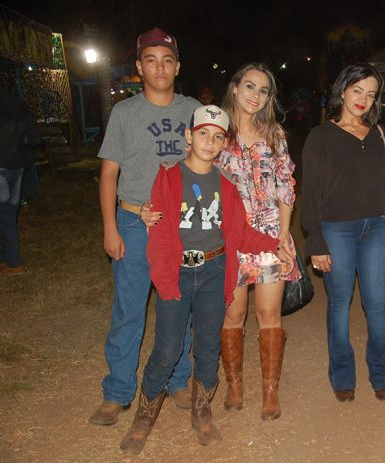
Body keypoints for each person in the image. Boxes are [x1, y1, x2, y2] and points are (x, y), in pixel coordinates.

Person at [119, 105, 289, 454]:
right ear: (189, 136)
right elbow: (160, 237)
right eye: (203, 134)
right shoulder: (169, 178)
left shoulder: (226, 186)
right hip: (178, 274)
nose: (210, 142)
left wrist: (275, 244)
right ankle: (145, 415)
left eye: (217, 137)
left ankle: (201, 410)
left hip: (213, 272)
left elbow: (241, 234)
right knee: (168, 349)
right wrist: (165, 282)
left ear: (224, 144)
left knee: (209, 345)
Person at [90, 27, 200, 426]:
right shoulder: (125, 113)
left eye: (167, 60)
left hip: (181, 225)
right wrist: (110, 228)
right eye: (151, 60)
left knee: (180, 306)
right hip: (134, 222)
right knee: (129, 310)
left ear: (178, 67)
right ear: (139, 67)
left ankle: (179, 380)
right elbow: (109, 175)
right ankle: (117, 391)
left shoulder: (193, 110)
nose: (160, 67)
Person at [301, 64, 385, 402]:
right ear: (343, 90)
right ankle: (343, 377)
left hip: (377, 228)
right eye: (358, 91)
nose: (363, 100)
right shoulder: (320, 137)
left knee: (378, 305)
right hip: (337, 230)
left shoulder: (378, 133)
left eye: (371, 94)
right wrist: (315, 239)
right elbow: (310, 193)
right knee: (340, 303)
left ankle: (383, 374)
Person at [215, 63, 298, 421]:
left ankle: (270, 391)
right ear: (234, 88)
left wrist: (284, 232)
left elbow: (285, 184)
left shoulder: (274, 134)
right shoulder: (217, 132)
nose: (255, 95)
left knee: (268, 314)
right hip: (229, 236)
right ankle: (234, 385)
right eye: (249, 86)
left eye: (263, 90)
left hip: (268, 234)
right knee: (233, 315)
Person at [0, 92, 41, 275]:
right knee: (9, 213)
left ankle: (14, 262)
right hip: (17, 167)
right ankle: (5, 257)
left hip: (1, 168)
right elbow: (34, 137)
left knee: (5, 215)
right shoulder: (20, 106)